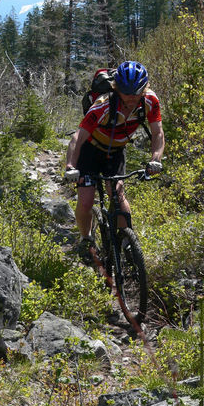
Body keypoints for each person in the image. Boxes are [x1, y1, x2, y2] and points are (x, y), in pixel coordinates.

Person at [65, 60, 165, 263]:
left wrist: (155, 159)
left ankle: (127, 242)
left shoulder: (150, 101)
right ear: (116, 88)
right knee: (85, 201)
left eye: (135, 93)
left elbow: (158, 133)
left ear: (144, 88)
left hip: (115, 152)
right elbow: (78, 137)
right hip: (89, 152)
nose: (130, 98)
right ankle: (86, 238)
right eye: (125, 93)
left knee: (118, 196)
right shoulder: (103, 105)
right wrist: (70, 167)